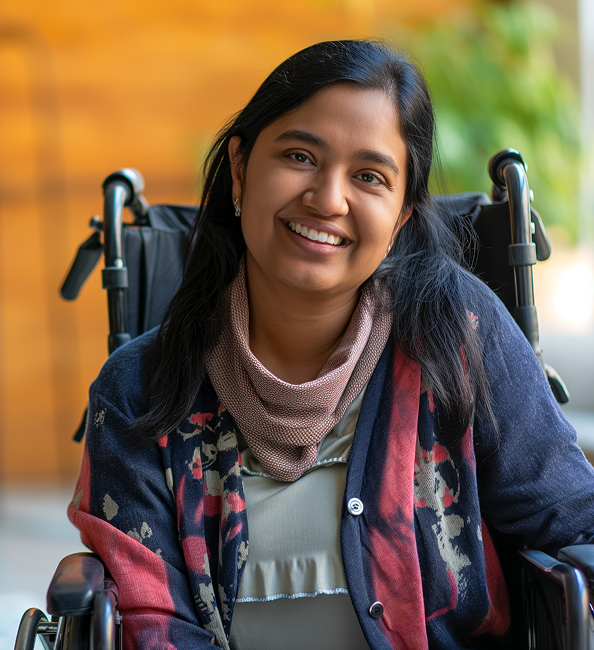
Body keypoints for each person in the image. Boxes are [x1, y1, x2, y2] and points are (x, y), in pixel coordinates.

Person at [67, 39, 594, 649]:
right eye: (299, 155)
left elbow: (570, 517)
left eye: (369, 176)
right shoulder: (138, 390)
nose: (328, 198)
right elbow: (155, 624)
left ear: (401, 213)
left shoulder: (458, 337)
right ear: (240, 167)